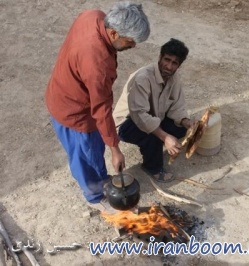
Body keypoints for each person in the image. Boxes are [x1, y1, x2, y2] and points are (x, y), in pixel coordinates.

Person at [45, 2, 150, 213]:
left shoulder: (93, 16)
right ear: (113, 33)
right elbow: (101, 110)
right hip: (74, 113)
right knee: (86, 155)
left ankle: (101, 179)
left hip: (61, 91)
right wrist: (115, 149)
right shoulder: (97, 62)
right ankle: (95, 196)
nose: (133, 46)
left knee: (91, 150)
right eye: (130, 41)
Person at [114, 38, 194, 182]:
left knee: (181, 128)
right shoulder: (143, 78)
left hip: (154, 117)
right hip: (128, 123)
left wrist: (186, 121)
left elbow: (177, 105)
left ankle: (160, 141)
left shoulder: (173, 78)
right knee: (153, 136)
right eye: (166, 60)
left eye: (174, 63)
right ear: (160, 57)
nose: (169, 66)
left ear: (179, 66)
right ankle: (152, 167)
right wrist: (164, 137)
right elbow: (140, 117)